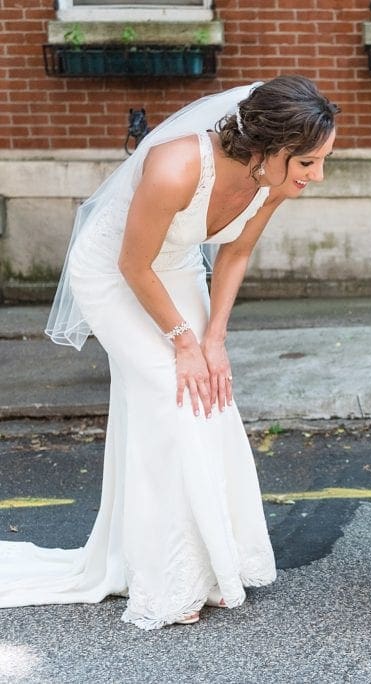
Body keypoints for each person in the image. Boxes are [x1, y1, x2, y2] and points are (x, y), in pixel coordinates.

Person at [0, 76, 338, 629]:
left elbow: (234, 254)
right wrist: (183, 342)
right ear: (269, 148)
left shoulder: (274, 180)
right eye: (308, 163)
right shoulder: (175, 166)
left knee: (210, 396)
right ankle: (169, 579)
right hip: (112, 273)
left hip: (176, 271)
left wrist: (214, 341)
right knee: (171, 395)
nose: (317, 175)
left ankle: (213, 565)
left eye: (322, 160)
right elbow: (132, 265)